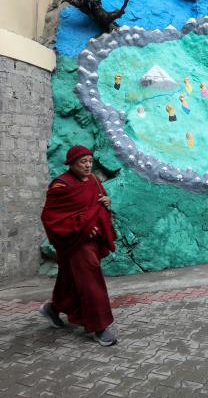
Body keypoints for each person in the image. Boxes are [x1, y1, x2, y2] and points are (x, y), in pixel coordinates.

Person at [39, 145, 118, 346]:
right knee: (90, 279)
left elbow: (100, 201)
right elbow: (51, 217)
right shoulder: (61, 186)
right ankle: (99, 326)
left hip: (92, 238)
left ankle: (53, 309)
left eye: (90, 161)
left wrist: (107, 202)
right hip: (74, 242)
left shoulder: (93, 181)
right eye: (83, 162)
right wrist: (83, 226)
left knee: (70, 281)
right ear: (71, 163)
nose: (87, 165)